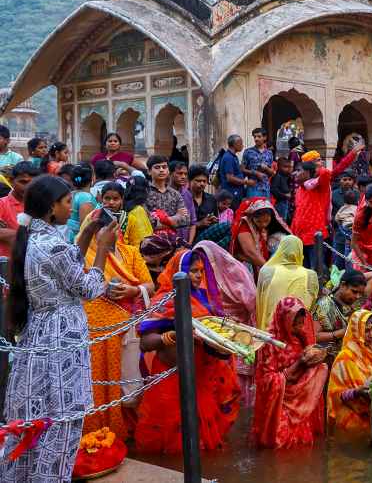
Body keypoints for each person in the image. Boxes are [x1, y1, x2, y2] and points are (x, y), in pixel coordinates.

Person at [1, 175, 117, 483]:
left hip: (37, 332)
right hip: (60, 336)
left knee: (35, 419)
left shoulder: (32, 237)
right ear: (52, 207)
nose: (72, 207)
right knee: (61, 421)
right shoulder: (51, 243)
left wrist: (89, 231)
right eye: (67, 202)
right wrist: (103, 248)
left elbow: (66, 264)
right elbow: (88, 287)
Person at [135, 251, 240, 453]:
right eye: (193, 271)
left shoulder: (202, 297)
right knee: (173, 435)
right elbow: (145, 343)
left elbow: (211, 330)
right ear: (179, 272)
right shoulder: (164, 300)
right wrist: (171, 337)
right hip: (171, 375)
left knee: (202, 434)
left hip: (201, 374)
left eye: (201, 271)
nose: (199, 276)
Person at [77, 183, 155, 438]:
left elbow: (149, 284)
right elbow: (79, 289)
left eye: (109, 230)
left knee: (129, 384)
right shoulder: (81, 256)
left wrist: (133, 291)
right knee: (97, 382)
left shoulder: (130, 252)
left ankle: (125, 430)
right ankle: (95, 431)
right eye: (99, 231)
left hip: (127, 325)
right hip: (94, 329)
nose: (105, 236)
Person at [252, 297, 329, 449]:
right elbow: (265, 380)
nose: (301, 327)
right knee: (280, 445)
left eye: (302, 323)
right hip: (281, 402)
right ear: (284, 320)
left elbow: (309, 358)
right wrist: (298, 364)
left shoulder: (300, 337)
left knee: (301, 446)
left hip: (300, 402)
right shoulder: (270, 344)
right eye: (296, 324)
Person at [327, 310, 372, 434]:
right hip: (348, 421)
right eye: (366, 330)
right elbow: (335, 395)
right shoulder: (344, 358)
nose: (371, 335)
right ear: (357, 330)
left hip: (370, 418)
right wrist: (357, 392)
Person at [256, 235, 320, 330]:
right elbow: (311, 305)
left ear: (280, 250)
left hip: (270, 331)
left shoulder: (266, 271)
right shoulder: (310, 275)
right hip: (297, 331)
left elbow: (260, 302)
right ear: (300, 252)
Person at [312, 268, 367, 357]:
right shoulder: (324, 305)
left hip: (347, 355)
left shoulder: (352, 304)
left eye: (360, 293)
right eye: (354, 291)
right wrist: (343, 332)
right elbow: (314, 336)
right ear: (342, 285)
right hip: (327, 357)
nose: (357, 296)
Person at [231, 197, 290, 276]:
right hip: (244, 266)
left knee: (283, 240)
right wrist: (271, 272)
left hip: (257, 262)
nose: (263, 225)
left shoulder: (271, 225)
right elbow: (250, 252)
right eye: (259, 221)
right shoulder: (244, 225)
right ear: (252, 217)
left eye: (266, 221)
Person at [0, 162, 39, 257]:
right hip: (9, 265)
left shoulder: (41, 205)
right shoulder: (2, 204)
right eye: (23, 182)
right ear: (12, 181)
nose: (28, 187)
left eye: (32, 183)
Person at [145, 155, 189, 234]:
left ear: (168, 171)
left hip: (172, 239)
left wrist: (162, 221)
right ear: (149, 171)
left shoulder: (175, 194)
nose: (161, 170)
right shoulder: (145, 193)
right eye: (157, 167)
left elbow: (185, 220)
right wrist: (176, 217)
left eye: (164, 167)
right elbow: (147, 223)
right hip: (150, 239)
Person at [186, 165, 218, 243]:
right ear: (190, 181)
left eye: (204, 181)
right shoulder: (182, 198)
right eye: (198, 181)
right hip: (188, 238)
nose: (202, 184)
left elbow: (216, 219)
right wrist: (199, 224)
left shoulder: (211, 199)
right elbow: (179, 226)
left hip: (208, 238)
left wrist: (212, 220)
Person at [219, 135, 252, 209]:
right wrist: (246, 182)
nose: (242, 146)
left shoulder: (234, 157)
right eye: (241, 143)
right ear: (235, 144)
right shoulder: (228, 158)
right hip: (231, 193)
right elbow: (230, 178)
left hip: (237, 193)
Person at [242, 127, 275, 198]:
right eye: (255, 137)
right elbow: (242, 169)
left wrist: (266, 168)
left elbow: (272, 172)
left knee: (265, 208)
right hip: (253, 187)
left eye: (259, 136)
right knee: (253, 208)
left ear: (265, 137)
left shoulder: (269, 153)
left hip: (265, 188)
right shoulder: (248, 152)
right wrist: (256, 173)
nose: (256, 139)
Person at [270, 157, 293, 223]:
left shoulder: (285, 176)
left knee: (285, 220)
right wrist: (285, 195)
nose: (287, 169)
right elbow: (274, 189)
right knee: (281, 221)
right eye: (285, 167)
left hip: (285, 202)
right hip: (280, 203)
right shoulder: (277, 176)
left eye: (289, 167)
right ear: (279, 166)